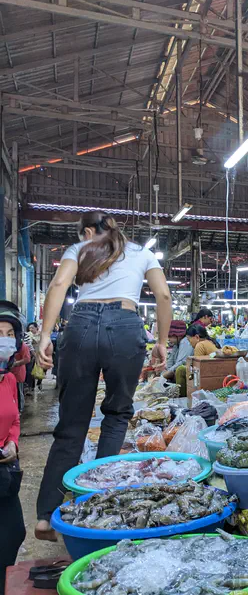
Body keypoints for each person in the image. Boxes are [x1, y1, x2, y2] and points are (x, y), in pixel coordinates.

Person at [34, 212, 171, 541]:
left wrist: (44, 336)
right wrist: (163, 342)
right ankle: (97, 503)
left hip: (80, 326)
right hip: (125, 328)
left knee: (71, 426)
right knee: (117, 414)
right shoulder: (141, 252)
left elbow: (58, 285)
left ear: (87, 231)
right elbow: (163, 296)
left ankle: (45, 517)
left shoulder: (78, 249)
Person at [0, 302, 28, 593]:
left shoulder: (7, 379)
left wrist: (12, 442)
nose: (5, 339)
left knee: (14, 533)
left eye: (9, 333)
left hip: (6, 471)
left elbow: (15, 419)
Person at [24, 322, 42, 393]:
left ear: (36, 327)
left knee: (39, 370)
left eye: (32, 328)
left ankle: (39, 382)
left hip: (39, 354)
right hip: (31, 355)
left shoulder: (41, 335)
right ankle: (30, 387)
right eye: (29, 328)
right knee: (30, 371)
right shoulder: (28, 335)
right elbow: (29, 345)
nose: (30, 329)